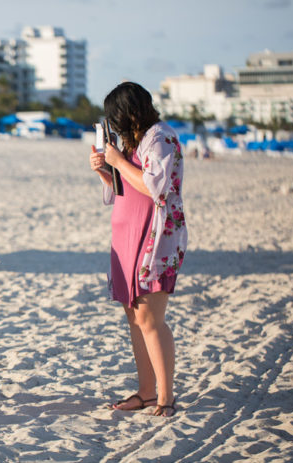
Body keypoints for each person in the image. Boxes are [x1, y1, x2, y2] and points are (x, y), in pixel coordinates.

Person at [89, 82, 187, 417]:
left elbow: (153, 186)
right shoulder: (138, 140)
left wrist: (117, 159)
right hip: (127, 235)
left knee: (150, 317)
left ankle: (165, 396)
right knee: (134, 316)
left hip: (153, 235)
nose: (114, 127)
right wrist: (107, 170)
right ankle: (146, 392)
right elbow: (127, 189)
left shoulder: (160, 137)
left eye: (116, 119)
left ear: (132, 112)